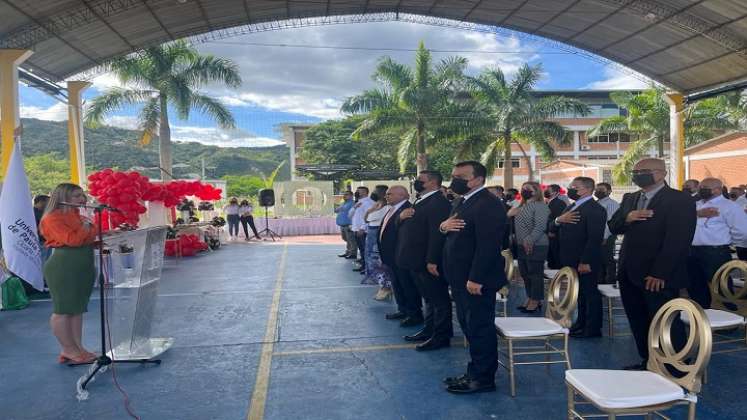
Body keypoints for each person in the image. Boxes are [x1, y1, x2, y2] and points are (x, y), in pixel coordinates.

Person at [608, 158, 694, 371]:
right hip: (629, 271)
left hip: (659, 275)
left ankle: (675, 368)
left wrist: (660, 273)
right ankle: (648, 362)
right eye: (635, 171)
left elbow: (678, 240)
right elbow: (614, 226)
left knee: (664, 322)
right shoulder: (631, 198)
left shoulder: (679, 199)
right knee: (638, 320)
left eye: (644, 171)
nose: (638, 175)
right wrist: (628, 218)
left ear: (662, 173)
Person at [440, 161, 506, 394]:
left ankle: (483, 379)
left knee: (479, 328)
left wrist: (476, 278)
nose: (455, 179)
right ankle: (474, 371)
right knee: (469, 326)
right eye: (454, 175)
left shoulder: (488, 204)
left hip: (475, 280)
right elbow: (451, 229)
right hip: (459, 277)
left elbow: (488, 246)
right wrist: (442, 227)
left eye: (461, 176)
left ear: (477, 179)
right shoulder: (462, 201)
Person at [39, 183, 98, 364]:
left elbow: (87, 238)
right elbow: (72, 240)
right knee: (63, 310)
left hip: (83, 265)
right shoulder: (52, 218)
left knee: (77, 309)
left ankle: (78, 347)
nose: (82, 199)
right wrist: (87, 226)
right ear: (63, 197)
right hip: (64, 266)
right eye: (76, 196)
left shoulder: (77, 216)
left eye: (82, 195)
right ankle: (67, 349)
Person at [396, 171, 452, 351]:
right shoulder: (421, 199)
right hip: (416, 260)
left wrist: (432, 260)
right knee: (428, 298)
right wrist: (401, 217)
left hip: (427, 261)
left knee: (439, 300)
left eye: (421, 180)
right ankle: (429, 330)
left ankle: (441, 336)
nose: (417, 182)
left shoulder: (438, 202)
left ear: (433, 182)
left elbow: (437, 234)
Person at [552, 177, 606, 338]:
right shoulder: (571, 207)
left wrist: (586, 261)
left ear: (587, 189)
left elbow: (594, 238)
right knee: (580, 293)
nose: (571, 189)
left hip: (584, 260)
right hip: (570, 258)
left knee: (590, 294)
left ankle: (592, 329)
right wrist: (558, 220)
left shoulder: (595, 209)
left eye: (575, 187)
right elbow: (551, 226)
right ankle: (581, 323)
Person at [687, 178, 747, 308]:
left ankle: (729, 314)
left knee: (721, 284)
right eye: (700, 187)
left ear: (718, 189)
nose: (701, 190)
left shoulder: (729, 206)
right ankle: (702, 310)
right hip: (692, 251)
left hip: (715, 252)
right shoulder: (695, 205)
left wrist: (727, 243)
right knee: (695, 283)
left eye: (705, 187)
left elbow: (741, 230)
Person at [378, 186, 421, 326]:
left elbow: (406, 234)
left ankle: (414, 314)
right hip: (390, 255)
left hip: (400, 255)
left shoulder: (408, 210)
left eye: (389, 194)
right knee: (397, 284)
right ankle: (403, 309)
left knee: (407, 285)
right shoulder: (392, 209)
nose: (386, 196)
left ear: (402, 195)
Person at [509, 181, 550, 313]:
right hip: (521, 244)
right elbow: (509, 217)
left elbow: (540, 226)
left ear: (536, 191)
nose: (524, 190)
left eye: (528, 188)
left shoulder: (540, 206)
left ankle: (536, 300)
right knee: (525, 274)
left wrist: (530, 240)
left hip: (537, 244)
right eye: (523, 188)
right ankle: (530, 297)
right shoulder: (521, 205)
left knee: (535, 274)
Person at [595, 183, 620, 285]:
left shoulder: (612, 204)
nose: (598, 191)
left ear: (609, 191)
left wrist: (605, 237)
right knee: (598, 259)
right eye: (597, 189)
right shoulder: (596, 203)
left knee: (607, 259)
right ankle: (600, 279)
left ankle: (610, 280)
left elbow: (610, 223)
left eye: (601, 189)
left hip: (607, 236)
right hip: (597, 236)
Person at [362, 186, 389, 280]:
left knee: (373, 253)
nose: (373, 193)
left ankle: (374, 276)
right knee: (368, 253)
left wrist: (370, 211)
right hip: (372, 229)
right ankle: (370, 274)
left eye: (374, 191)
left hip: (376, 229)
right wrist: (370, 211)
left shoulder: (386, 206)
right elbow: (366, 219)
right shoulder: (377, 204)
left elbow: (368, 218)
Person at [351, 187, 375, 271]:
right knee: (361, 249)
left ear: (365, 192)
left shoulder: (368, 202)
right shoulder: (358, 202)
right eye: (357, 191)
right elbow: (350, 215)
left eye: (359, 191)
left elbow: (369, 216)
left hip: (363, 231)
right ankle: (364, 266)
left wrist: (362, 228)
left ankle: (367, 267)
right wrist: (354, 207)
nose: (357, 193)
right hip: (356, 229)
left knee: (365, 250)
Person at [544, 184, 567, 270]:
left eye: (548, 189)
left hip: (554, 234)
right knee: (550, 256)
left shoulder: (559, 203)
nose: (545, 191)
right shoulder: (549, 202)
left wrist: (552, 231)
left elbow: (558, 218)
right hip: (548, 234)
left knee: (556, 255)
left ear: (555, 192)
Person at [335, 191, 357, 259]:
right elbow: (336, 210)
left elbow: (353, 213)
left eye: (346, 195)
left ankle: (353, 253)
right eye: (344, 194)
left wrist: (351, 224)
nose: (344, 196)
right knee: (346, 238)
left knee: (351, 239)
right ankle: (348, 251)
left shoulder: (352, 203)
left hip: (348, 224)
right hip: (342, 224)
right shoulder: (343, 203)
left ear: (351, 196)